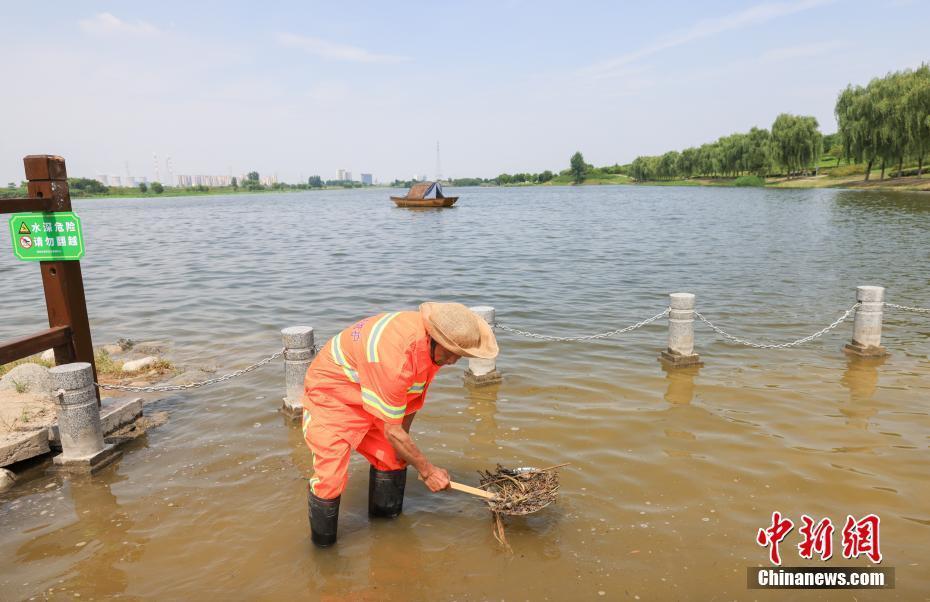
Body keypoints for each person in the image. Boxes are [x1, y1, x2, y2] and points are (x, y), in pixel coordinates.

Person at [301, 302, 499, 547]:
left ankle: (387, 533)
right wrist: (427, 470)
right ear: (432, 338)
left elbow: (411, 399)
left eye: (459, 355)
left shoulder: (431, 349)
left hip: (375, 390)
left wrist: (402, 444)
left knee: (393, 459)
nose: (452, 361)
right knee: (330, 479)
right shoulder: (396, 358)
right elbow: (394, 425)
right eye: (449, 353)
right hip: (333, 394)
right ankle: (323, 550)